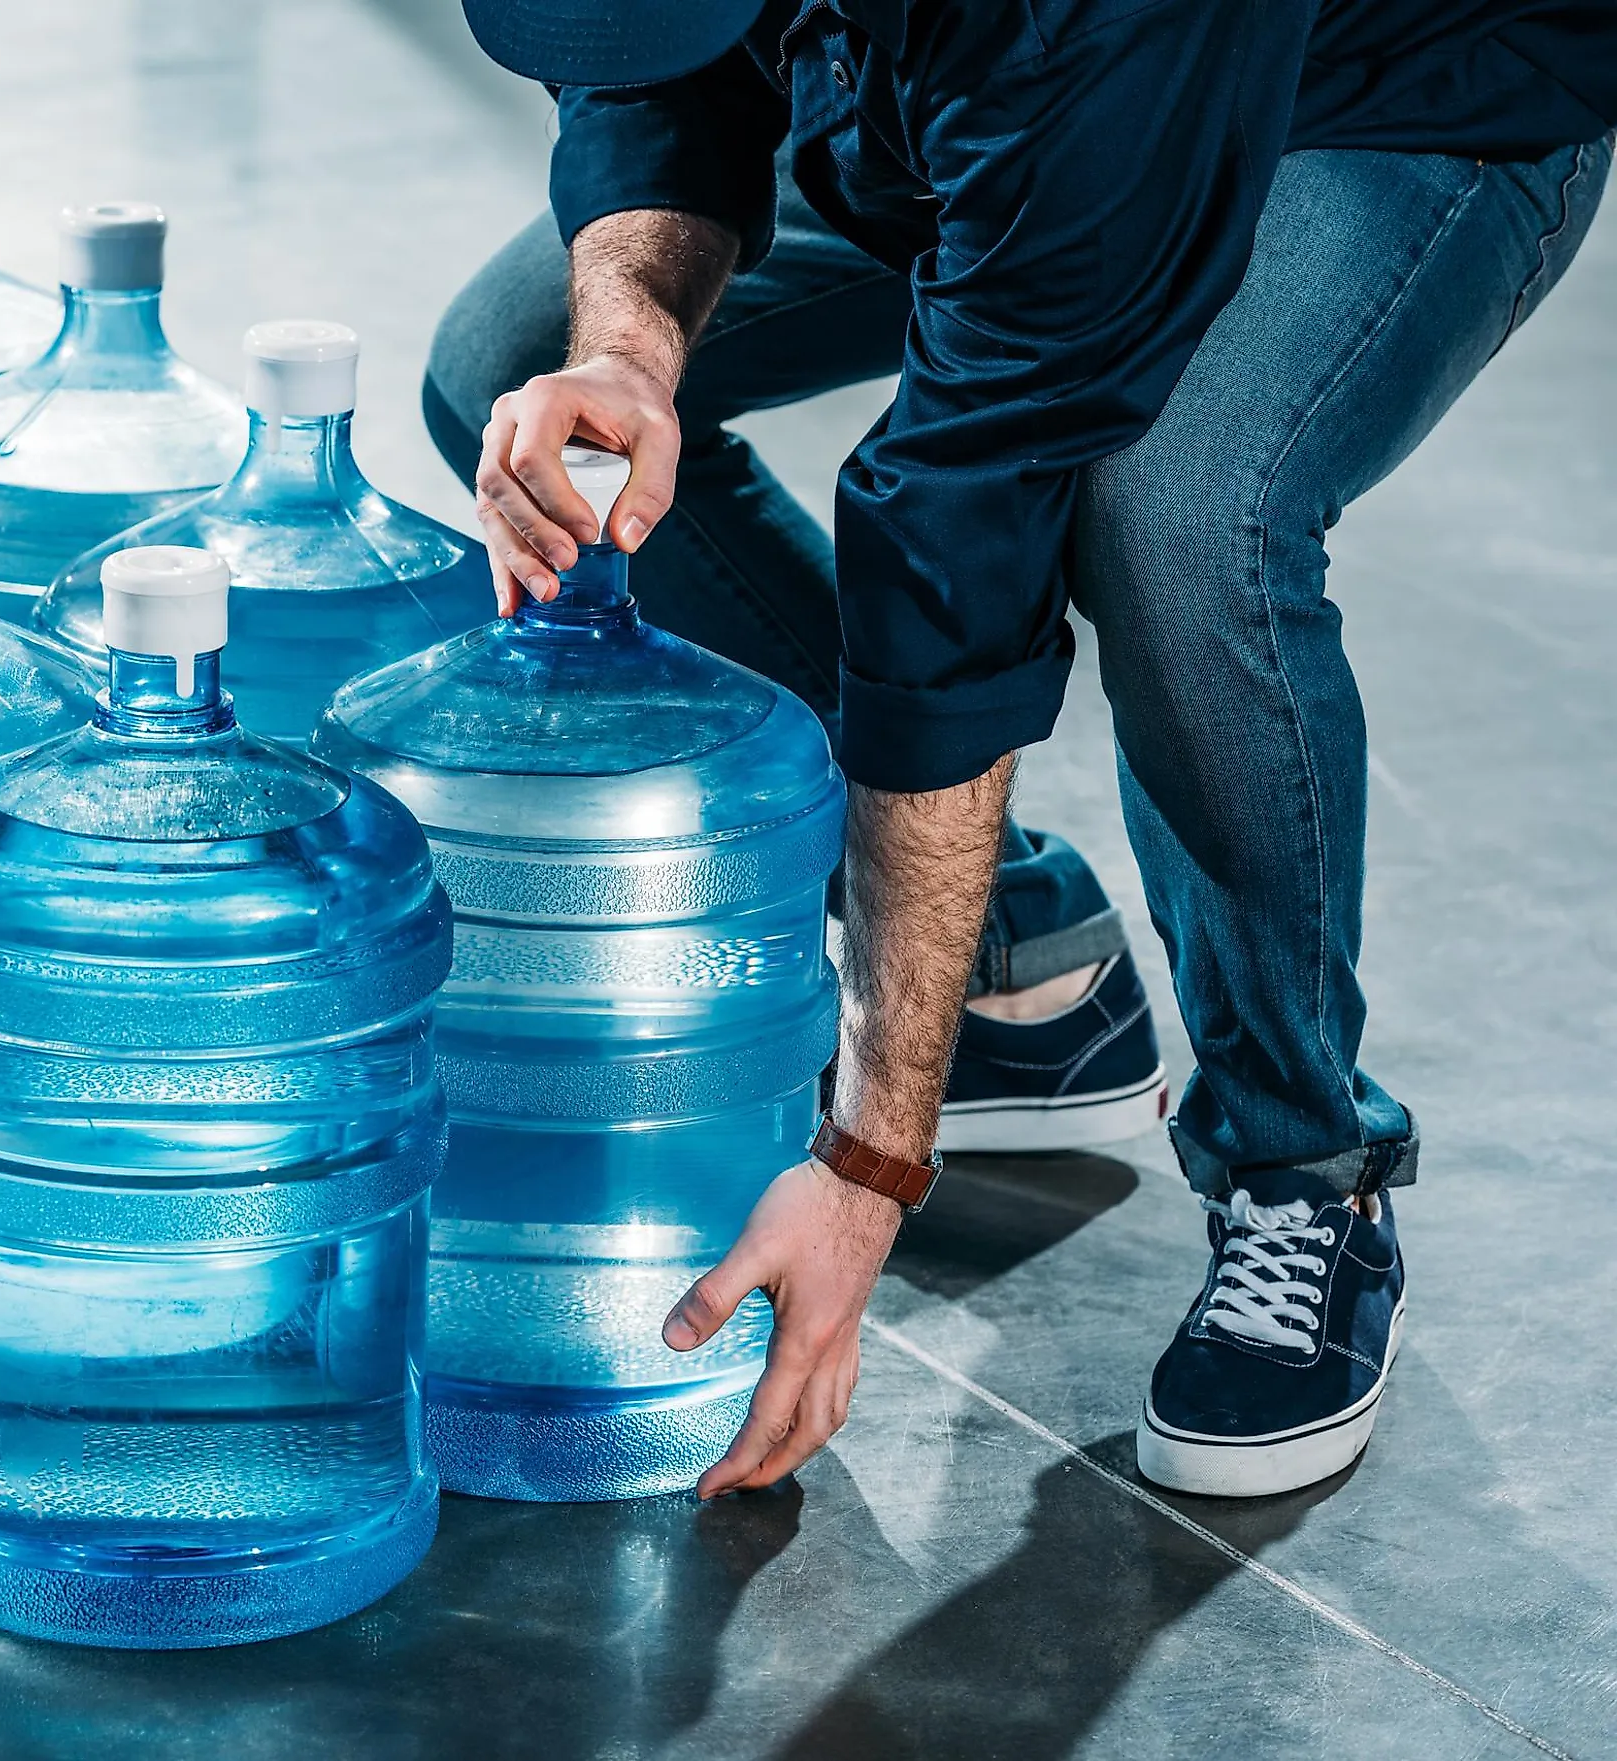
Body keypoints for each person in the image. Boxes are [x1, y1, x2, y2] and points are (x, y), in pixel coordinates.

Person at [435, 0, 1612, 1498]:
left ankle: (1303, 1162)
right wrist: (626, 357)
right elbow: (658, 85)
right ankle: (1007, 959)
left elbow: (958, 533)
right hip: (969, 88)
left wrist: (870, 1164)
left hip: (1390, 89)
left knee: (1176, 513)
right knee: (517, 364)